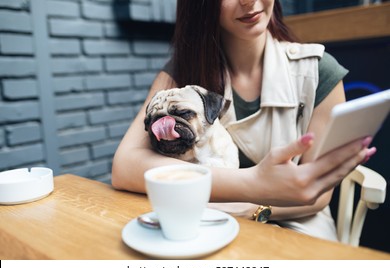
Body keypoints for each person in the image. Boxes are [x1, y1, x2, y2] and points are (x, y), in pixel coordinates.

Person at [111, 0, 376, 241]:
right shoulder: (181, 74)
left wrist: (251, 208)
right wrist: (254, 183)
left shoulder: (317, 71)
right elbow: (125, 167)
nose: (249, 1)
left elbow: (317, 195)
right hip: (206, 223)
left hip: (298, 225)